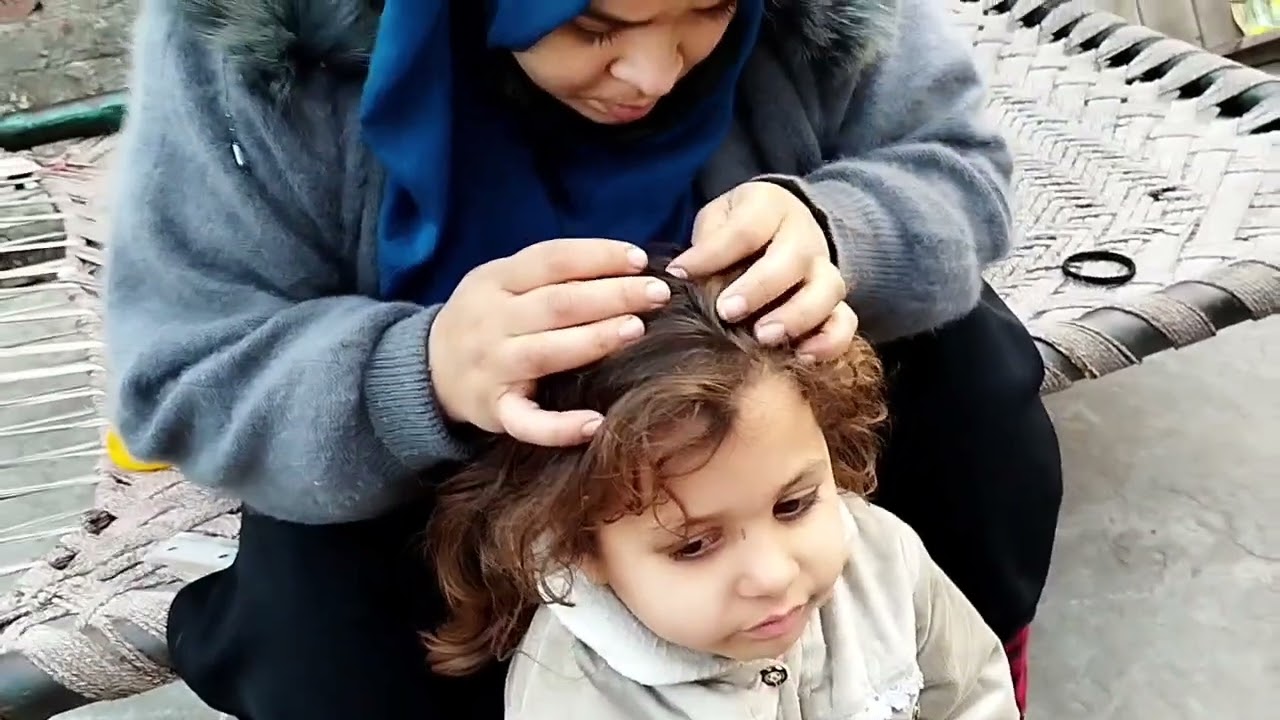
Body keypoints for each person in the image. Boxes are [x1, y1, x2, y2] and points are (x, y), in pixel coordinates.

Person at [103, 0, 1061, 717]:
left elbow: (958, 174)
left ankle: (934, 663)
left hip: (760, 400)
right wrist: (419, 373)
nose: (651, 74)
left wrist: (839, 231)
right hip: (425, 466)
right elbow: (184, 375)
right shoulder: (255, 47)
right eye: (593, 25)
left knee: (977, 386)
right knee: (319, 651)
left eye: (708, 10)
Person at [428, 261, 1021, 719]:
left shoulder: (884, 558)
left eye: (793, 505)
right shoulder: (573, 698)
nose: (772, 575)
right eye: (693, 546)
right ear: (578, 549)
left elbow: (972, 693)